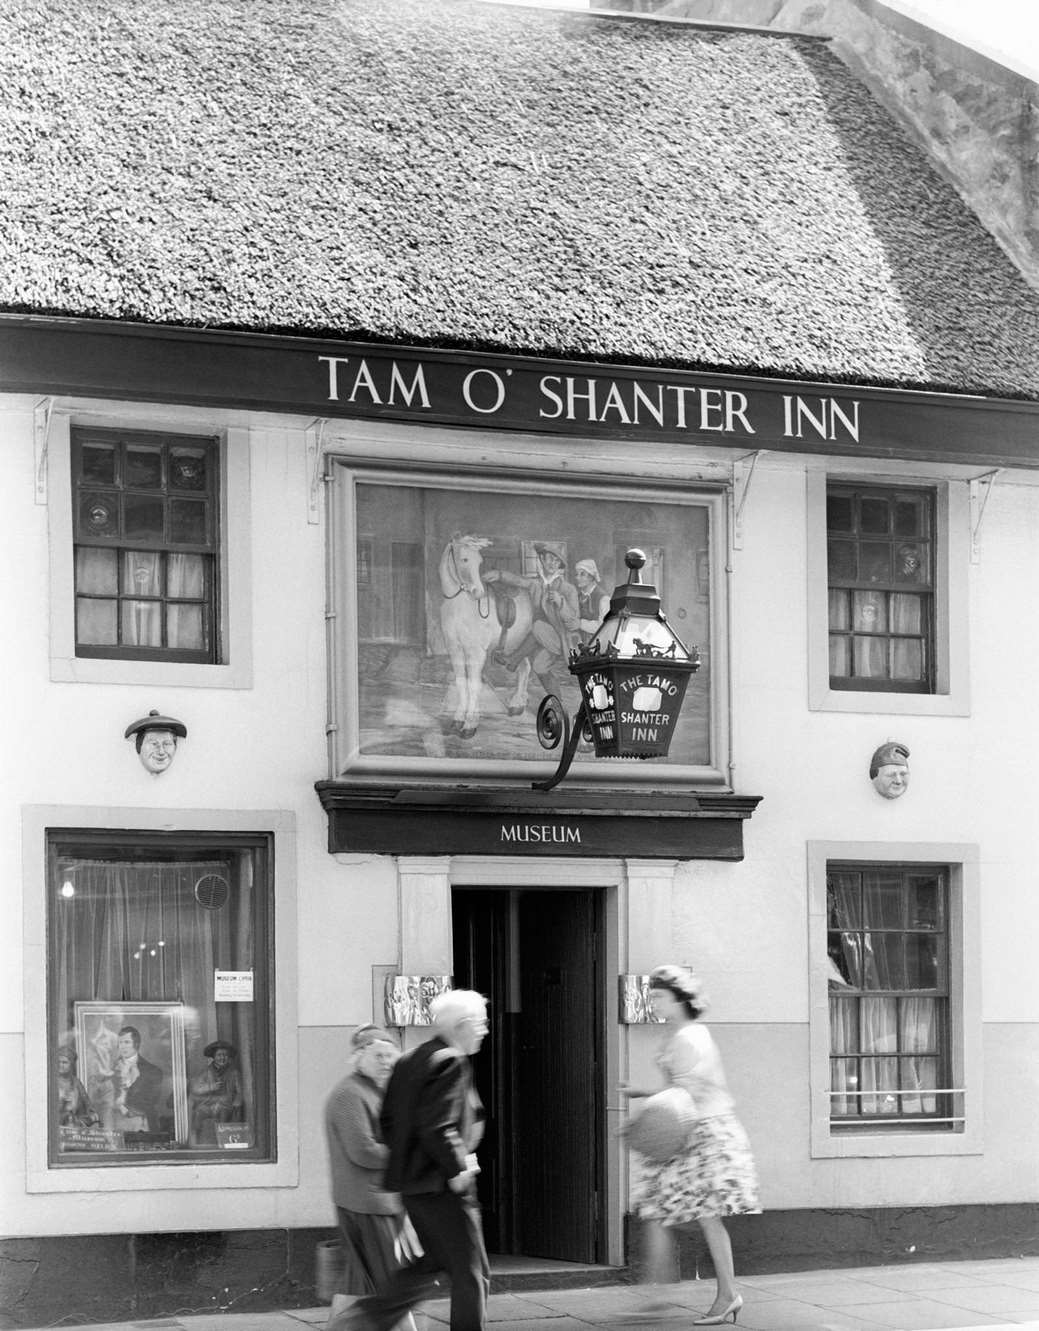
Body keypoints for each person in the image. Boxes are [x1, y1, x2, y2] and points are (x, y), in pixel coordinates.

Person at [329, 990, 490, 1331]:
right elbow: (438, 1125)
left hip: (413, 1187)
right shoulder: (450, 1061)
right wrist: (457, 1168)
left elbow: (390, 1120)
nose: (484, 1030)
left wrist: (406, 1163)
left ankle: (358, 1323)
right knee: (471, 1273)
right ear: (462, 1025)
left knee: (426, 1266)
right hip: (442, 1185)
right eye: (480, 1023)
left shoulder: (410, 1060)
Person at [621, 965, 759, 1326]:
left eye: (660, 996)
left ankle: (714, 1295)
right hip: (692, 1131)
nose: (655, 1003)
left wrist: (645, 1115)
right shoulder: (682, 1032)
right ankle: (668, 1296)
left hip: (703, 1135)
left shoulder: (688, 1038)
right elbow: (681, 1092)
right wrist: (645, 1094)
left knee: (695, 1215)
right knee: (667, 1212)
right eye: (652, 996)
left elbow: (685, 1096)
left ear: (680, 999)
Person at [324, 1025, 419, 1329]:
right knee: (397, 1285)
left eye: (391, 1055)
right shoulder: (350, 1094)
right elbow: (362, 1151)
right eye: (378, 1055)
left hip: (369, 1200)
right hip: (370, 1203)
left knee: (355, 1284)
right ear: (359, 1057)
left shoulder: (373, 1091)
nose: (386, 1062)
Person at [486, 541, 579, 694]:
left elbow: (574, 623)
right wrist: (499, 575)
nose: (552, 563)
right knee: (539, 666)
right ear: (542, 559)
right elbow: (517, 580)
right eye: (549, 558)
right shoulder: (536, 585)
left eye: (556, 561)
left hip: (562, 640)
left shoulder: (568, 589)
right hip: (540, 639)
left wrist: (561, 603)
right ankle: (557, 703)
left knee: (537, 626)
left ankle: (513, 659)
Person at [188, 1039, 244, 1145]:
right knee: (198, 1113)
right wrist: (210, 1087)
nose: (222, 1058)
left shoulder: (234, 1073)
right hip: (208, 1104)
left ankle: (222, 1143)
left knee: (223, 1117)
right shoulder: (206, 1071)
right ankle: (195, 1142)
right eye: (219, 1055)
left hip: (225, 1105)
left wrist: (237, 1101)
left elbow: (240, 1091)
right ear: (214, 1057)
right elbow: (195, 1088)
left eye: (225, 1055)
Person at [110, 1025, 165, 1133]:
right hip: (115, 1125)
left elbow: (151, 1101)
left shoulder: (153, 1071)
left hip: (143, 1126)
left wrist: (125, 1106)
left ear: (136, 1044)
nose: (122, 1047)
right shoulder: (109, 1071)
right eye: (120, 1043)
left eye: (127, 1042)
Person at [56, 1047, 99, 1128]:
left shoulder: (76, 1083)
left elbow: (89, 1108)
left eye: (64, 1062)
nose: (60, 1065)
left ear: (71, 1064)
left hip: (73, 1127)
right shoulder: (51, 1082)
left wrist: (87, 1119)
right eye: (58, 1062)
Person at [574, 558, 610, 642]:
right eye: (577, 574)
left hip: (595, 644)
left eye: (582, 574)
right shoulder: (577, 597)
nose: (577, 578)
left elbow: (604, 627)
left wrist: (580, 623)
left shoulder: (603, 599)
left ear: (591, 577)